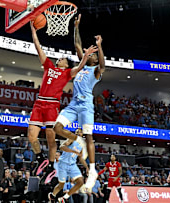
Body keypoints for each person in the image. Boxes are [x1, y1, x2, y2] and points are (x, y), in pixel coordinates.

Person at [28, 20, 98, 184]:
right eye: (59, 58)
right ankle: (41, 160)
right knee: (32, 137)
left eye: (62, 58)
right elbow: (38, 47)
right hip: (39, 104)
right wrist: (33, 32)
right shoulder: (49, 65)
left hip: (52, 105)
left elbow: (80, 67)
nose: (59, 59)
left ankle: (51, 167)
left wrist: (86, 56)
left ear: (66, 64)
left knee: (51, 140)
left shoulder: (68, 73)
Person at [53, 14, 105, 190]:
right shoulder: (82, 65)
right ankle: (77, 139)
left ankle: (92, 170)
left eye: (95, 56)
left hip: (85, 106)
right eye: (93, 55)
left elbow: (103, 66)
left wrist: (100, 46)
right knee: (57, 127)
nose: (93, 56)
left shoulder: (95, 72)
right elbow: (77, 45)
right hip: (73, 104)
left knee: (89, 136)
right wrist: (76, 26)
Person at [48, 129, 89, 203]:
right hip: (63, 163)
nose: (78, 133)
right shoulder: (71, 139)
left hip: (72, 165)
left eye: (80, 132)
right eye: (77, 132)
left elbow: (80, 158)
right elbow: (61, 147)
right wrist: (74, 151)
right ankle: (52, 195)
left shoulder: (82, 145)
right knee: (61, 185)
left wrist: (87, 167)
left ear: (83, 134)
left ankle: (64, 198)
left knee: (80, 182)